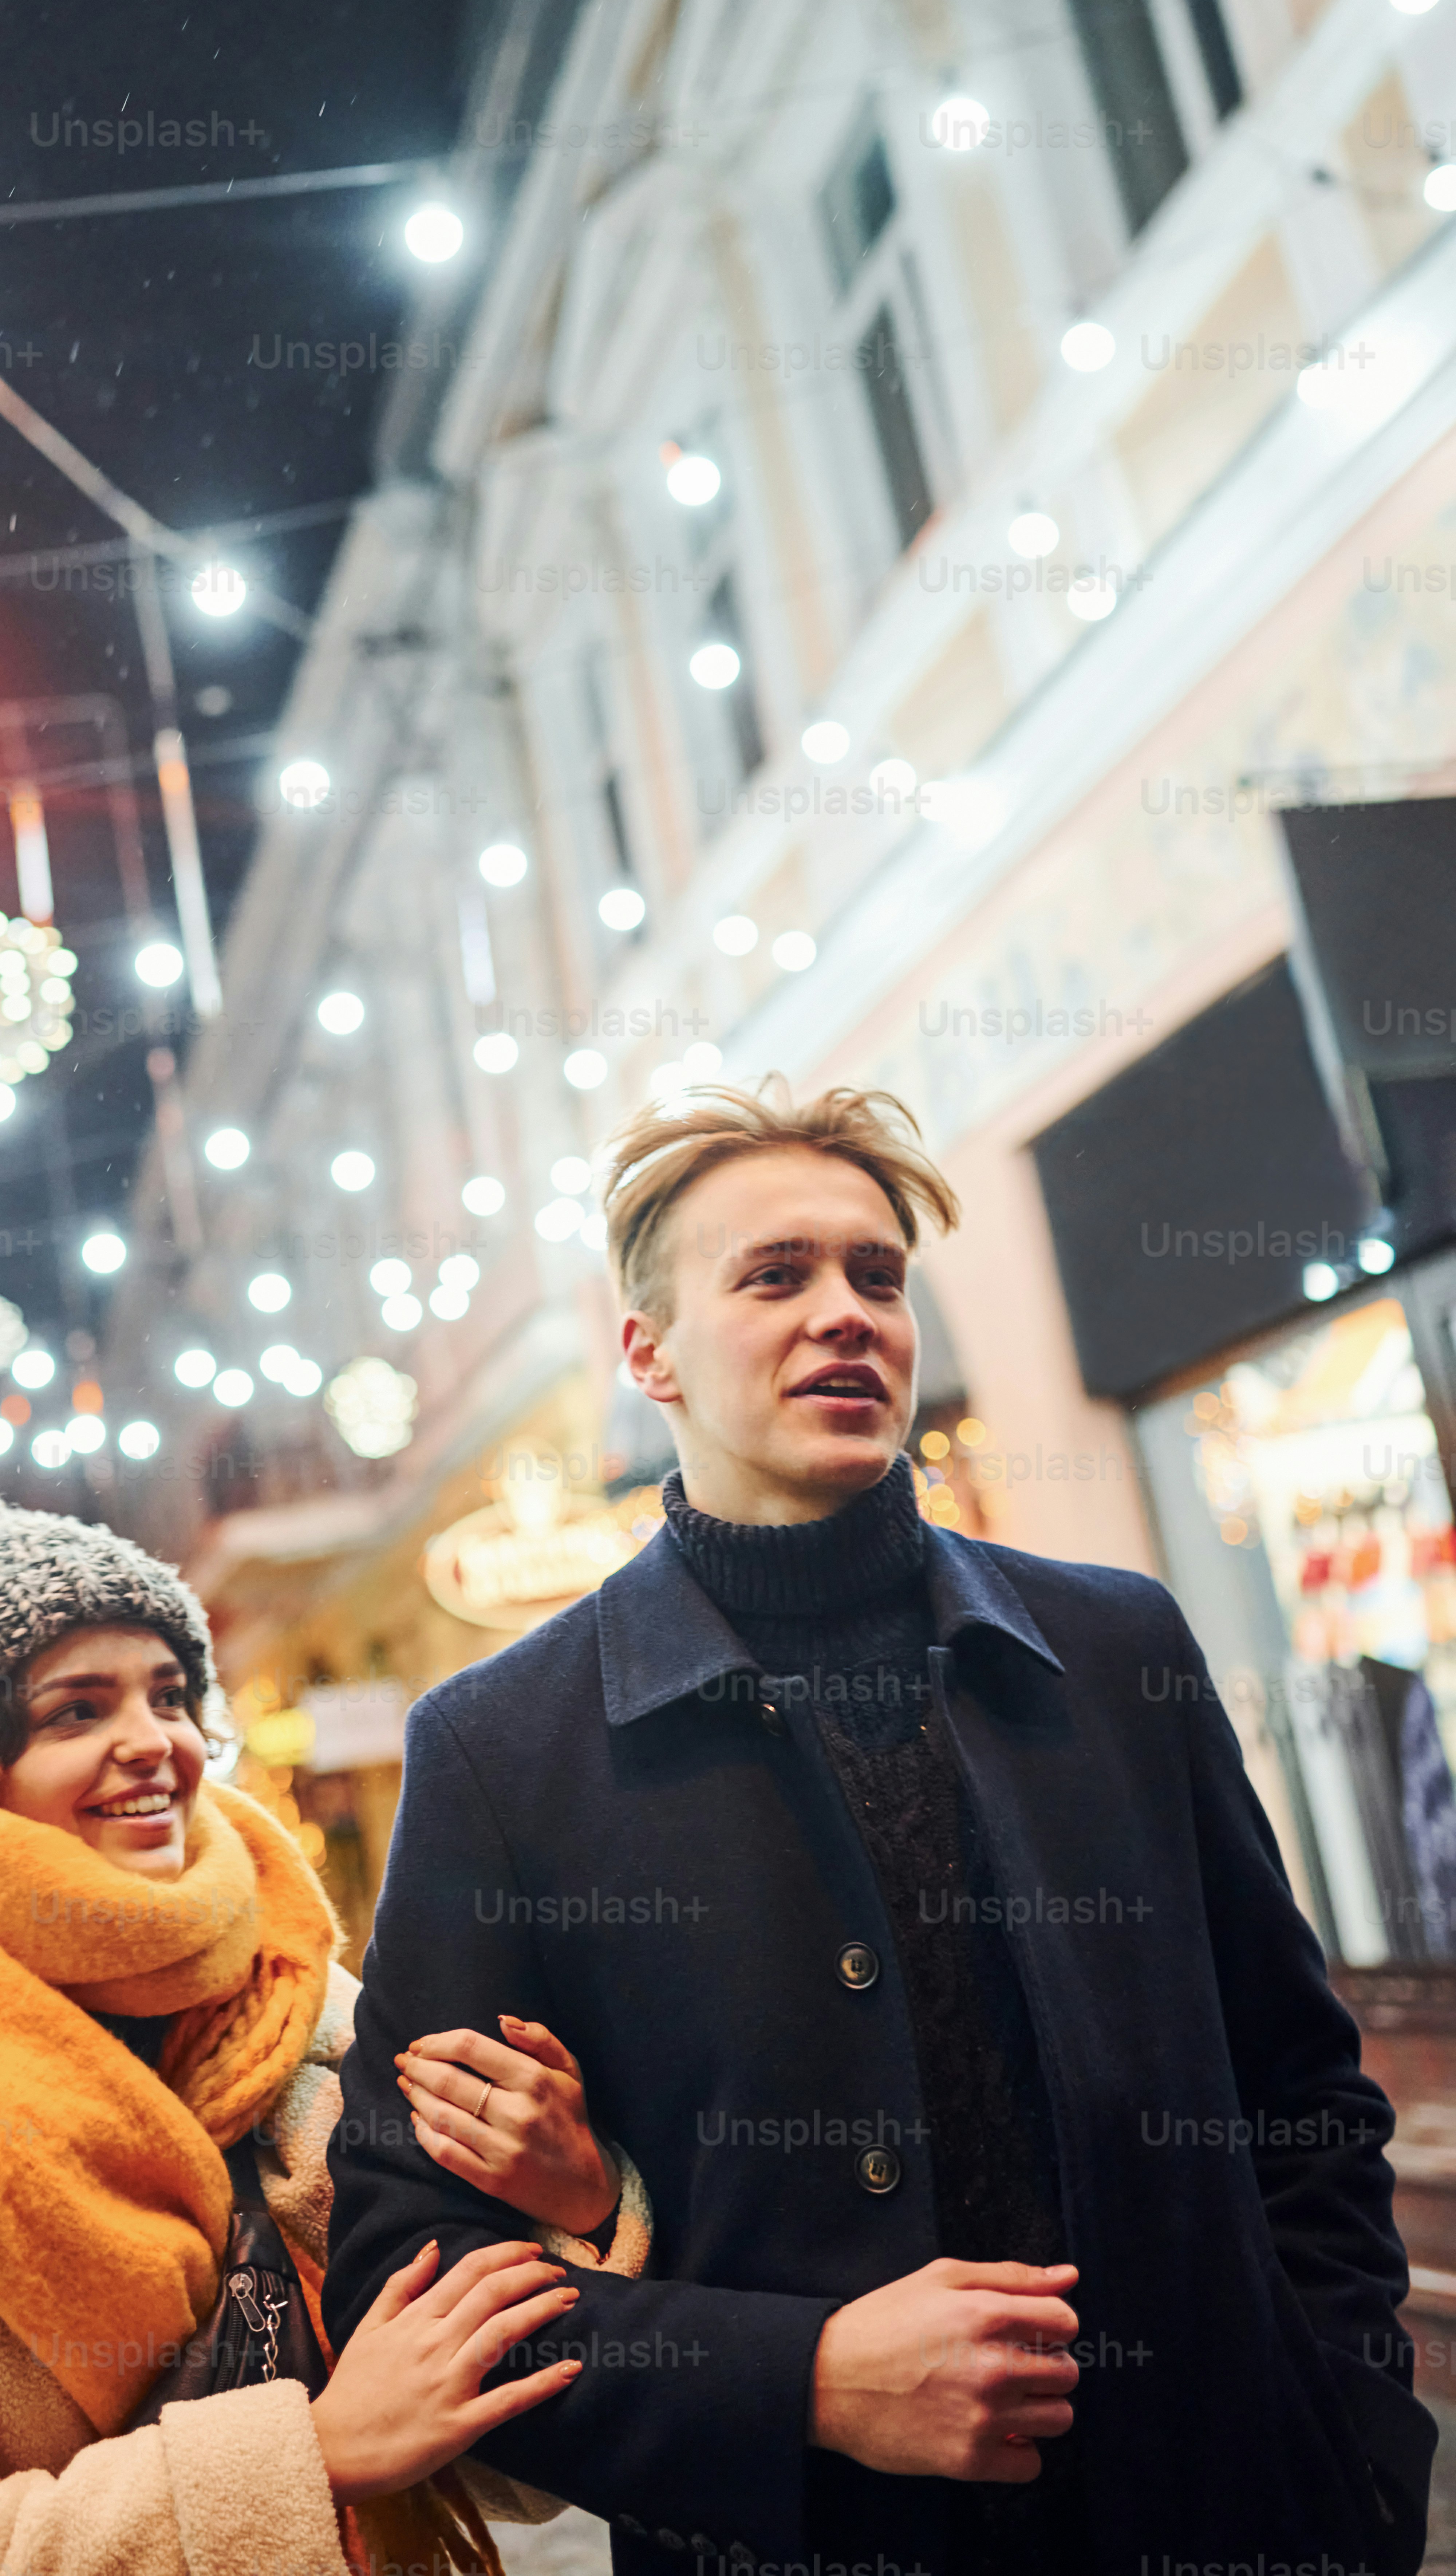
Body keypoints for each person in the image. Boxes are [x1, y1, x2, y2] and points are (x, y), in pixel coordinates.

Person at [326, 1080, 1436, 2576]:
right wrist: (802, 2377)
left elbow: (1299, 2095)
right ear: (644, 1351)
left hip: (1227, 2515)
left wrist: (1357, 2442)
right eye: (773, 1273)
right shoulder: (502, 1745)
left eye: (874, 1272)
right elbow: (414, 2267)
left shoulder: (1113, 1650)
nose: (843, 1310)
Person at [0, 1472, 650, 2576]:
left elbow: (521, 2462)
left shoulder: (305, 2015)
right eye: (77, 1708)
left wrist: (580, 2208)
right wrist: (311, 2455)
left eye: (168, 1693)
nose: (154, 1740)